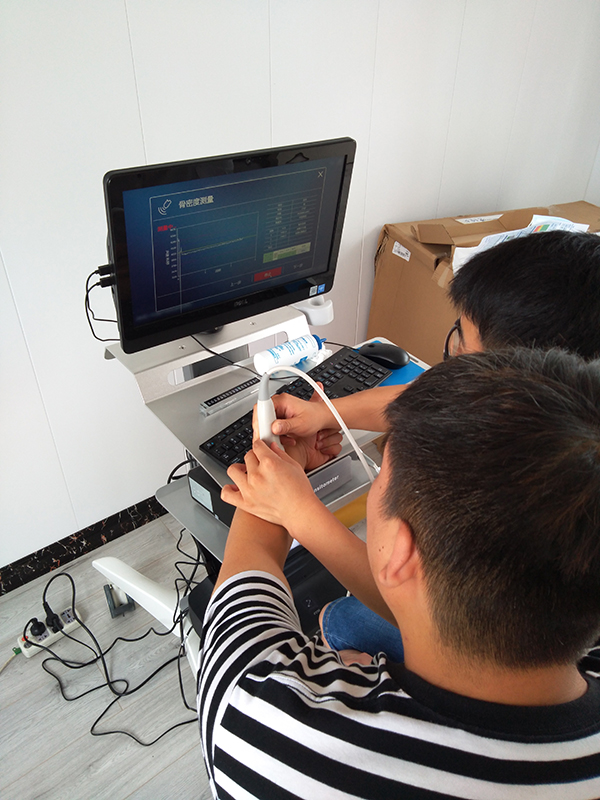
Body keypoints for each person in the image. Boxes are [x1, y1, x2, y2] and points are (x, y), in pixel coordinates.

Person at [200, 348, 600, 798]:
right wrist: (299, 509)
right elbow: (422, 590)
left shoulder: (259, 724)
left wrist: (275, 463)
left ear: (402, 552)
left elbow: (243, 591)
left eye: (381, 477)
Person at [268, 229, 600, 659]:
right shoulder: (575, 418)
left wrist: (297, 512)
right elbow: (443, 398)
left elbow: (405, 601)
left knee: (344, 620)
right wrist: (327, 413)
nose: (453, 353)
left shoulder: (514, 512)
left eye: (464, 346)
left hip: (471, 642)